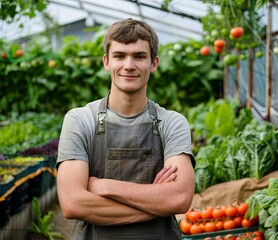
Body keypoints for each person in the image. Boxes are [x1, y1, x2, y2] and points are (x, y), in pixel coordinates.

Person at [56, 18, 196, 239]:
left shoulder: (172, 122)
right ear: (106, 62)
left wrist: (104, 186)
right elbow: (73, 204)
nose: (129, 65)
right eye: (119, 56)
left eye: (139, 56)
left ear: (154, 63)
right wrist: (156, 203)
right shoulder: (80, 120)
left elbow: (179, 199)